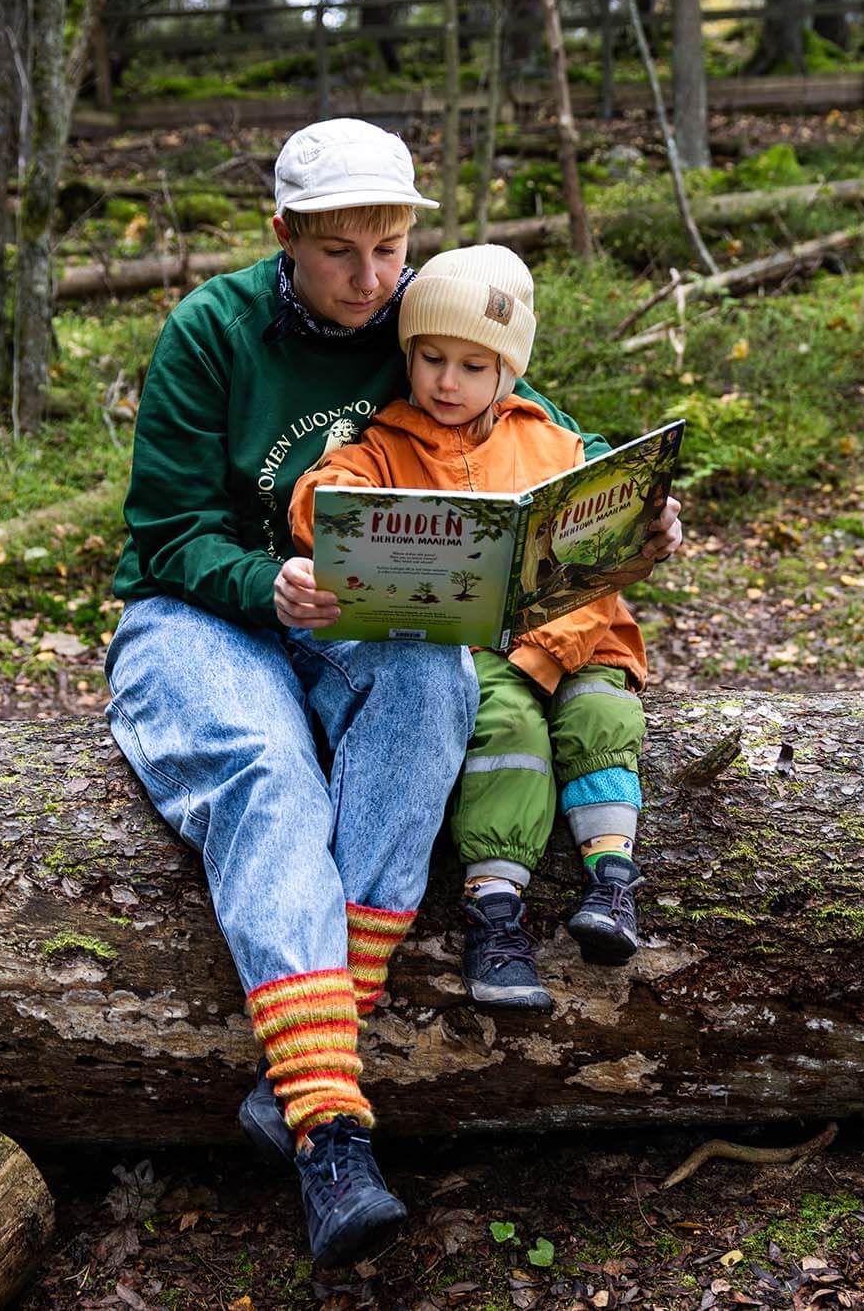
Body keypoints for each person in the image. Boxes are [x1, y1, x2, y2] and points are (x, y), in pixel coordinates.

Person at [104, 120, 681, 1268]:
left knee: (433, 675)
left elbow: (542, 438)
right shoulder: (211, 331)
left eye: (390, 248)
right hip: (199, 617)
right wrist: (266, 582)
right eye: (340, 254)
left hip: (358, 615)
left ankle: (314, 1037)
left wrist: (627, 516)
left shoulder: (427, 317)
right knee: (268, 772)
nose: (372, 281)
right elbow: (165, 534)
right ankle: (330, 1129)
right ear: (283, 234)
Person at [287, 245, 652, 1018]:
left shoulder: (554, 445)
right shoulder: (386, 443)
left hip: (580, 637)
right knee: (504, 726)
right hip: (475, 647)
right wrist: (334, 499)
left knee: (602, 711)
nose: (447, 382)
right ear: (408, 358)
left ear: (508, 373)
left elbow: (599, 565)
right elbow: (322, 503)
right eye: (431, 359)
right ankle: (496, 914)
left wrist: (550, 646)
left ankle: (613, 880)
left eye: (473, 366)